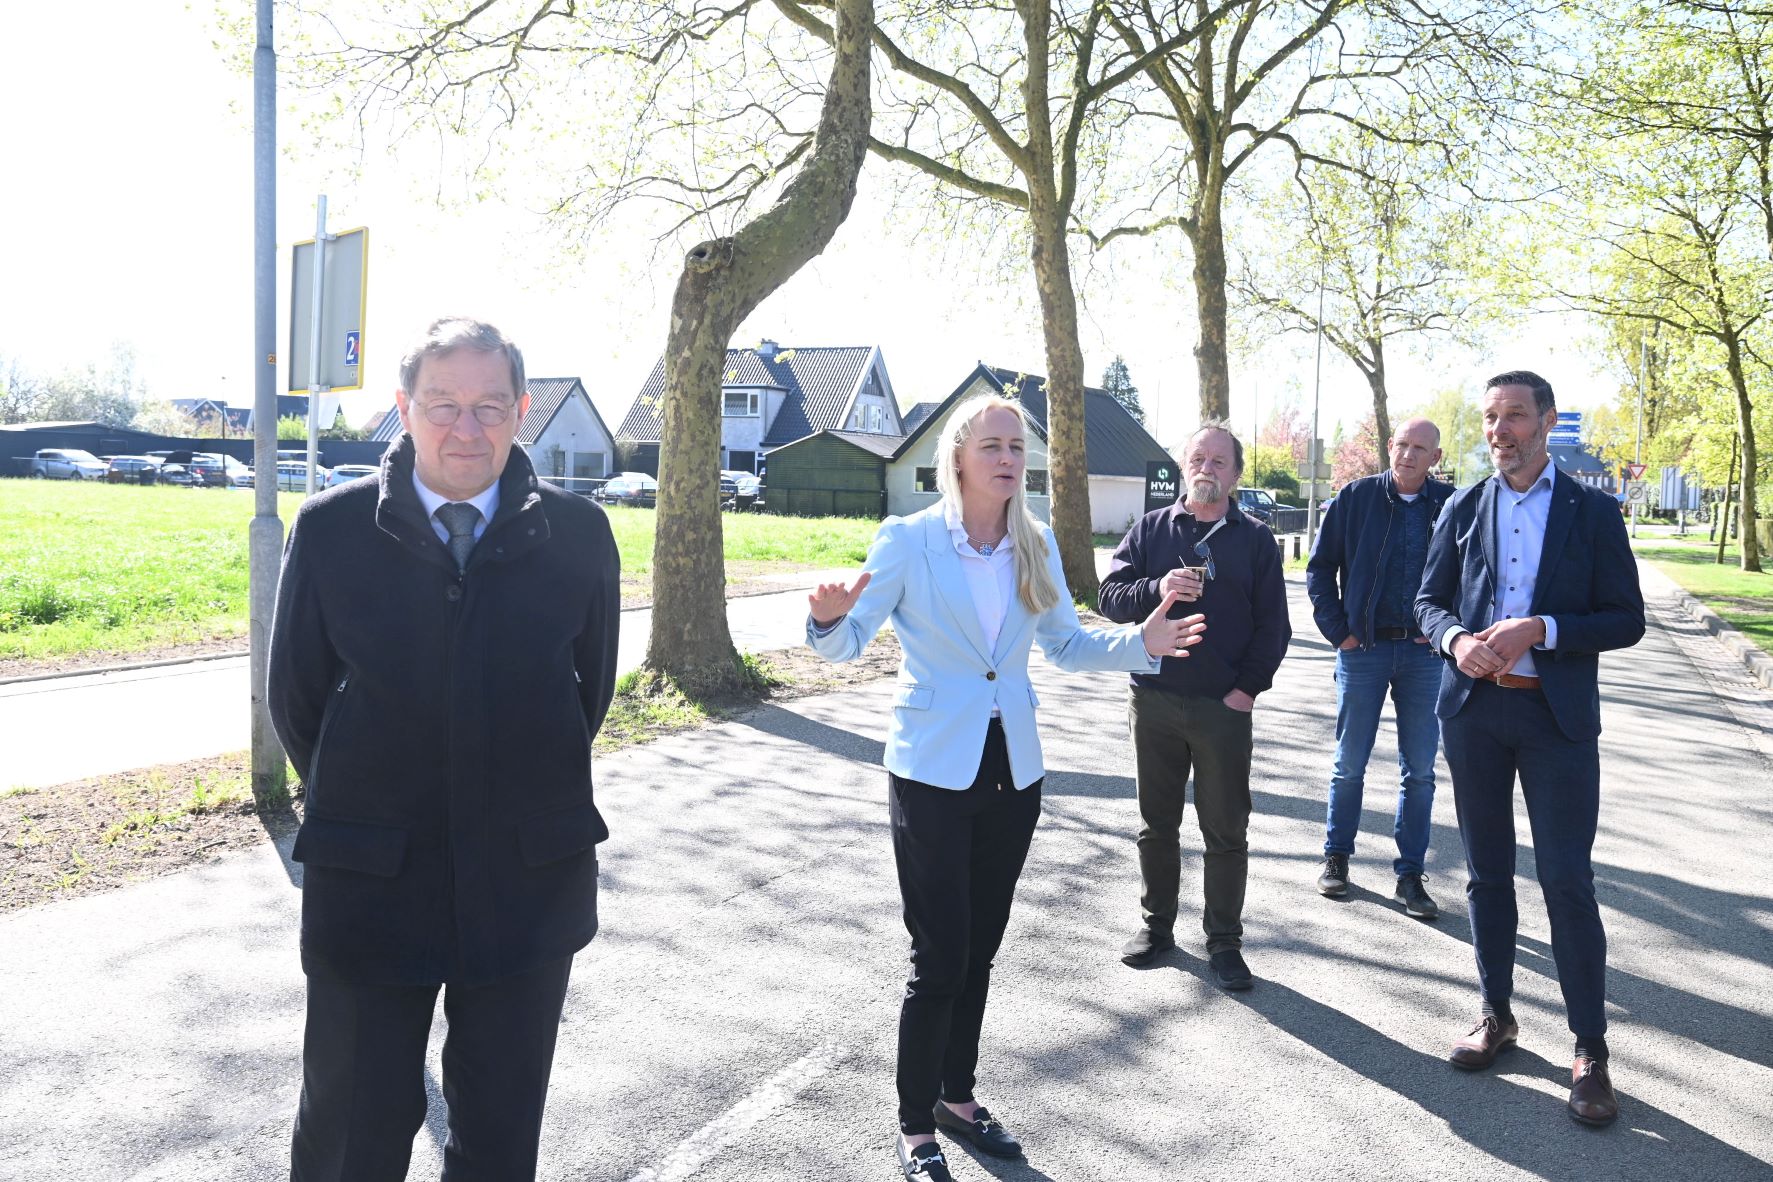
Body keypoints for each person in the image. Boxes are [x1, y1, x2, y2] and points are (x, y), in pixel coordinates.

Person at [805, 394, 1205, 1182]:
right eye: (991, 445)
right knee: (939, 955)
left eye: (1017, 447)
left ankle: (956, 1098)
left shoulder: (1035, 541)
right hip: (930, 768)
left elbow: (1065, 645)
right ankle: (913, 1124)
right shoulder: (909, 541)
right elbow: (847, 643)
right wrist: (825, 620)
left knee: (980, 950)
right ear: (957, 456)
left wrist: (1143, 640)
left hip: (1012, 768)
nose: (1007, 459)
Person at [269, 317, 620, 1179]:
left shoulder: (580, 535)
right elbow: (297, 701)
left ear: (522, 411)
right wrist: (372, 801)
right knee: (349, 1134)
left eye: (489, 407)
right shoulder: (331, 530)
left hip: (526, 885)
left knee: (499, 1137)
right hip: (372, 885)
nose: (467, 429)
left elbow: (587, 695)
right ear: (404, 409)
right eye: (443, 405)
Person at [1415, 370, 1644, 1127]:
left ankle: (1589, 1051)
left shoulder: (1592, 511)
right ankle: (1496, 1015)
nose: (1499, 430)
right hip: (1474, 715)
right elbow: (1427, 602)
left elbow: (1626, 619)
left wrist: (1540, 629)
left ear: (1546, 421)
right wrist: (1456, 641)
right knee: (1486, 876)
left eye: (1514, 415)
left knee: (1565, 881)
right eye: (1490, 417)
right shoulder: (1462, 505)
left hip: (1556, 720)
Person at [1099, 422, 1291, 988]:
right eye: (1197, 459)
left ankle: (1224, 942)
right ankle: (1156, 927)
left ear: (1236, 474)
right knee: (1156, 824)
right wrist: (1157, 588)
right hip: (1153, 700)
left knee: (1225, 829)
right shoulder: (1150, 529)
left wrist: (1246, 691)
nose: (1206, 469)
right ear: (1184, 466)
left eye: (1218, 462)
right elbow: (1110, 599)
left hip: (1221, 709)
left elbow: (1273, 627)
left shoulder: (1256, 540)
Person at [1304, 417, 1453, 917]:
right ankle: (1336, 857)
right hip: (1362, 650)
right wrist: (1339, 633)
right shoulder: (1356, 498)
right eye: (1402, 445)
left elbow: (1472, 573)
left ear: (1435, 457)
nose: (1408, 455)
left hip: (1425, 656)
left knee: (1421, 771)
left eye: (1420, 449)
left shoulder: (1451, 504)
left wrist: (1447, 631)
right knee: (1349, 764)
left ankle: (1410, 875)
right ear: (1390, 446)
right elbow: (1320, 569)